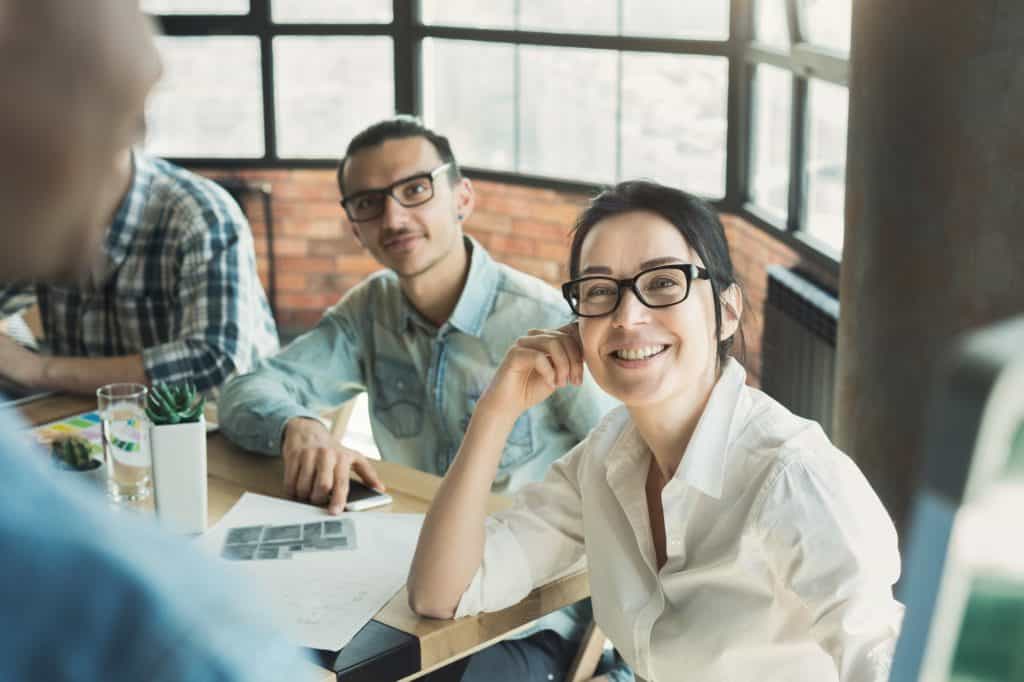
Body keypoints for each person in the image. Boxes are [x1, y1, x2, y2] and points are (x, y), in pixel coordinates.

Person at [408, 181, 904, 682]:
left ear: (726, 312)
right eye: (600, 291)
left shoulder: (793, 477)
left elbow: (886, 660)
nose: (628, 316)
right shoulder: (604, 458)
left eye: (664, 283)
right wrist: (496, 411)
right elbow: (443, 593)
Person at [218, 116, 625, 681]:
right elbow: (245, 391)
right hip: (399, 594)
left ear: (462, 197)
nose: (393, 217)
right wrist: (297, 425)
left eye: (415, 189)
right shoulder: (369, 311)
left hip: (523, 617)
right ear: (354, 227)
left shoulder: (548, 326)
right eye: (367, 203)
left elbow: (632, 478)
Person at [0, 1, 303, 679]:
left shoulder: (196, 213)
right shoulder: (146, 618)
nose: (140, 120)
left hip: (216, 471)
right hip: (114, 487)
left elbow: (213, 364)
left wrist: (34, 365)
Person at [0, 143, 279, 397]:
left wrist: (39, 369)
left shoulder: (201, 214)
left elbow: (214, 361)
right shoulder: (44, 211)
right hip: (89, 424)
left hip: (222, 428)